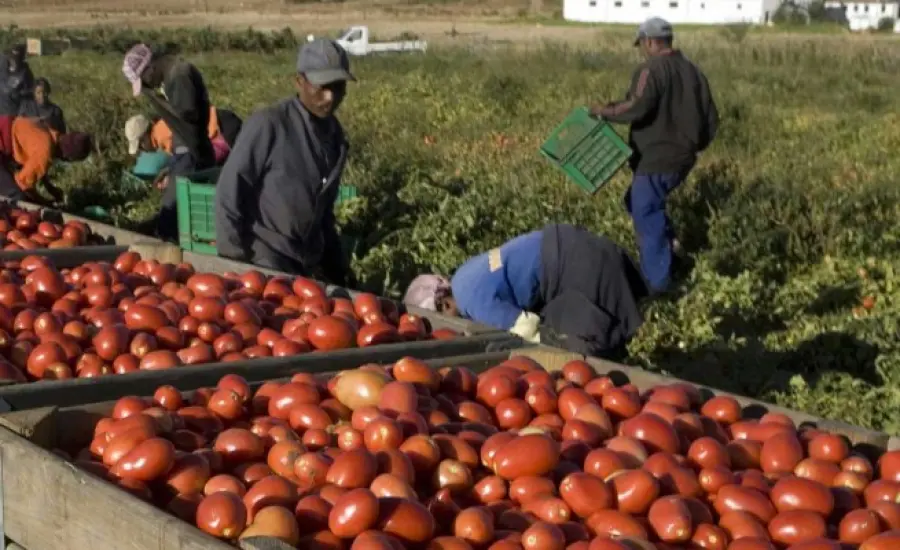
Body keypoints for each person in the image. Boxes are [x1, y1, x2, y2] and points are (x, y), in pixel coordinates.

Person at [590, 17, 718, 294]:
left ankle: (658, 287)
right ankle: (673, 249)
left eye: (642, 44)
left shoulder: (652, 69)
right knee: (635, 201)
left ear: (649, 41)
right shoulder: (693, 71)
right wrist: (692, 146)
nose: (642, 50)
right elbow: (712, 120)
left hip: (658, 158)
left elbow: (637, 107)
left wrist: (604, 111)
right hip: (682, 157)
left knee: (646, 212)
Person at [214, 38, 354, 286]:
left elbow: (324, 213)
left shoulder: (336, 139)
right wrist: (233, 262)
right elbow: (229, 191)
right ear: (299, 82)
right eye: (322, 86)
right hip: (263, 255)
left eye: (338, 86)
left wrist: (338, 267)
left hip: (304, 260)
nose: (330, 97)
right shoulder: (270, 124)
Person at [404, 224, 649, 359]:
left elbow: (527, 328)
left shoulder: (474, 303)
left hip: (574, 265)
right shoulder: (462, 277)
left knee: (586, 348)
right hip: (567, 244)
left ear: (445, 306)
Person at [121, 43, 215, 241]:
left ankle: (167, 247)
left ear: (150, 68)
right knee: (173, 210)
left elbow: (189, 114)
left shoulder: (178, 75)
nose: (147, 85)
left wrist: (161, 102)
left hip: (192, 152)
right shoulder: (170, 77)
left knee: (172, 212)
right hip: (185, 152)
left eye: (144, 80)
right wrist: (171, 166)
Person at [0, 116, 92, 201]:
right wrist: (45, 203)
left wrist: (50, 187)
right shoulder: (45, 150)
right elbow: (23, 184)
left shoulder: (48, 132)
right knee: (16, 196)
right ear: (67, 157)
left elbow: (37, 162)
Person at [0, 44, 36, 118]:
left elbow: (30, 95)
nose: (14, 60)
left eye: (17, 58)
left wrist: (18, 94)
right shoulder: (3, 66)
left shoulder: (25, 74)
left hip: (14, 113)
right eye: (12, 57)